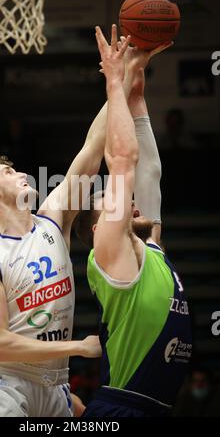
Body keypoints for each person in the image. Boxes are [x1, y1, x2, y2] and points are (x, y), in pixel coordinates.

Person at [0, 69, 125, 416]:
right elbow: (0, 345)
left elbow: (92, 149)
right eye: (8, 172)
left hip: (55, 382)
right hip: (7, 382)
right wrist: (78, 346)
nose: (20, 173)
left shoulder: (52, 220)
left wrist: (120, 81)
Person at [74, 25, 192, 417]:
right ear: (99, 229)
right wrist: (114, 79)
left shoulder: (149, 252)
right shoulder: (109, 255)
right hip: (122, 410)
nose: (131, 205)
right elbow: (124, 160)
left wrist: (136, 74)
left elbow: (149, 171)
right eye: (115, 203)